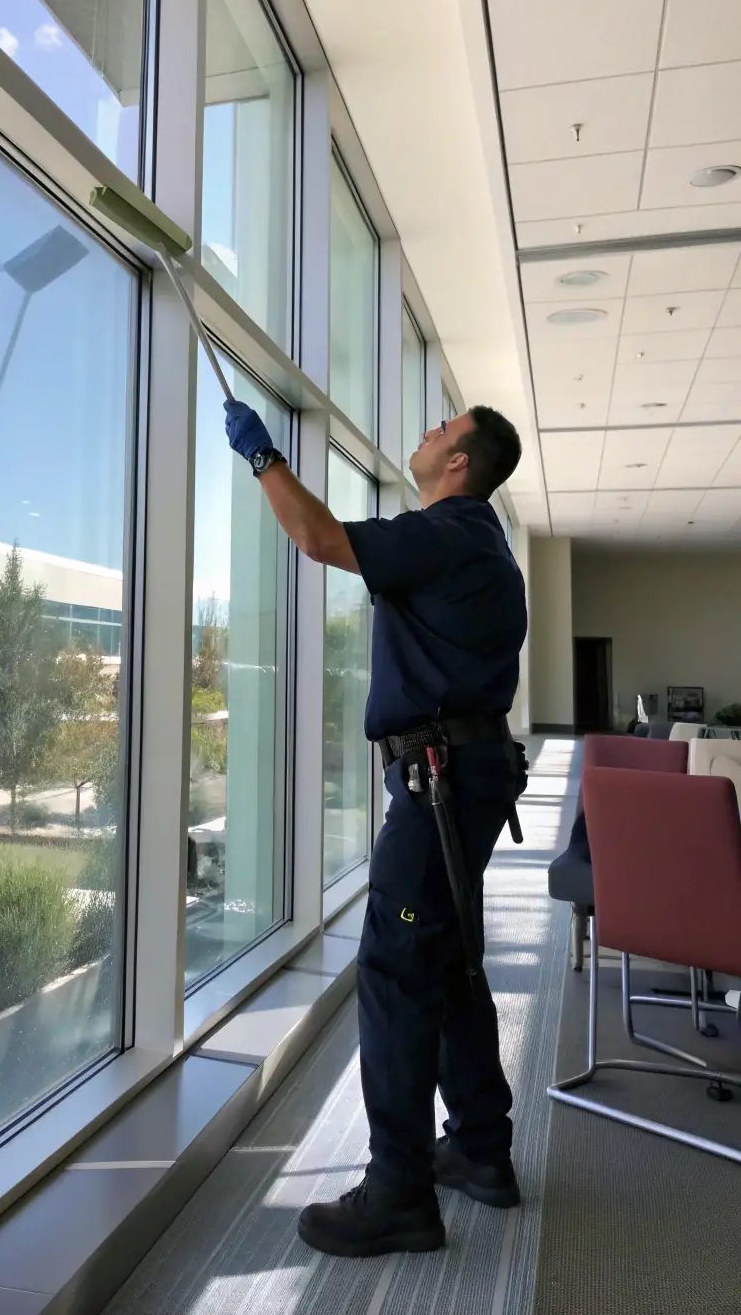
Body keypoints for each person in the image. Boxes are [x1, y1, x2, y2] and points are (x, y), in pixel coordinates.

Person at [224, 398, 527, 1258]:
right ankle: (479, 1146)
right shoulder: (482, 543)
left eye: (443, 429)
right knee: (449, 960)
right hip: (464, 770)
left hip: (440, 781)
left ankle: (398, 1190)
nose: (428, 430)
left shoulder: (447, 532)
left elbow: (317, 536)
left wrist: (263, 456)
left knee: (395, 973)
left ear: (460, 463)